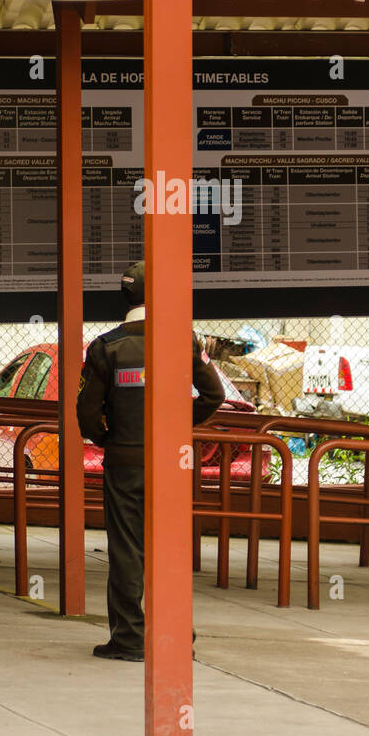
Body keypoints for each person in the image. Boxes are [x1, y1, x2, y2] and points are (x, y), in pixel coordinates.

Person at [76, 260, 224, 661]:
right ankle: (176, 637)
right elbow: (214, 397)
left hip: (125, 462)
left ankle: (129, 640)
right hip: (171, 464)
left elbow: (86, 412)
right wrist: (176, 426)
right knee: (171, 547)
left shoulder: (104, 347)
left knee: (127, 549)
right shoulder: (185, 342)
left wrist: (106, 436)